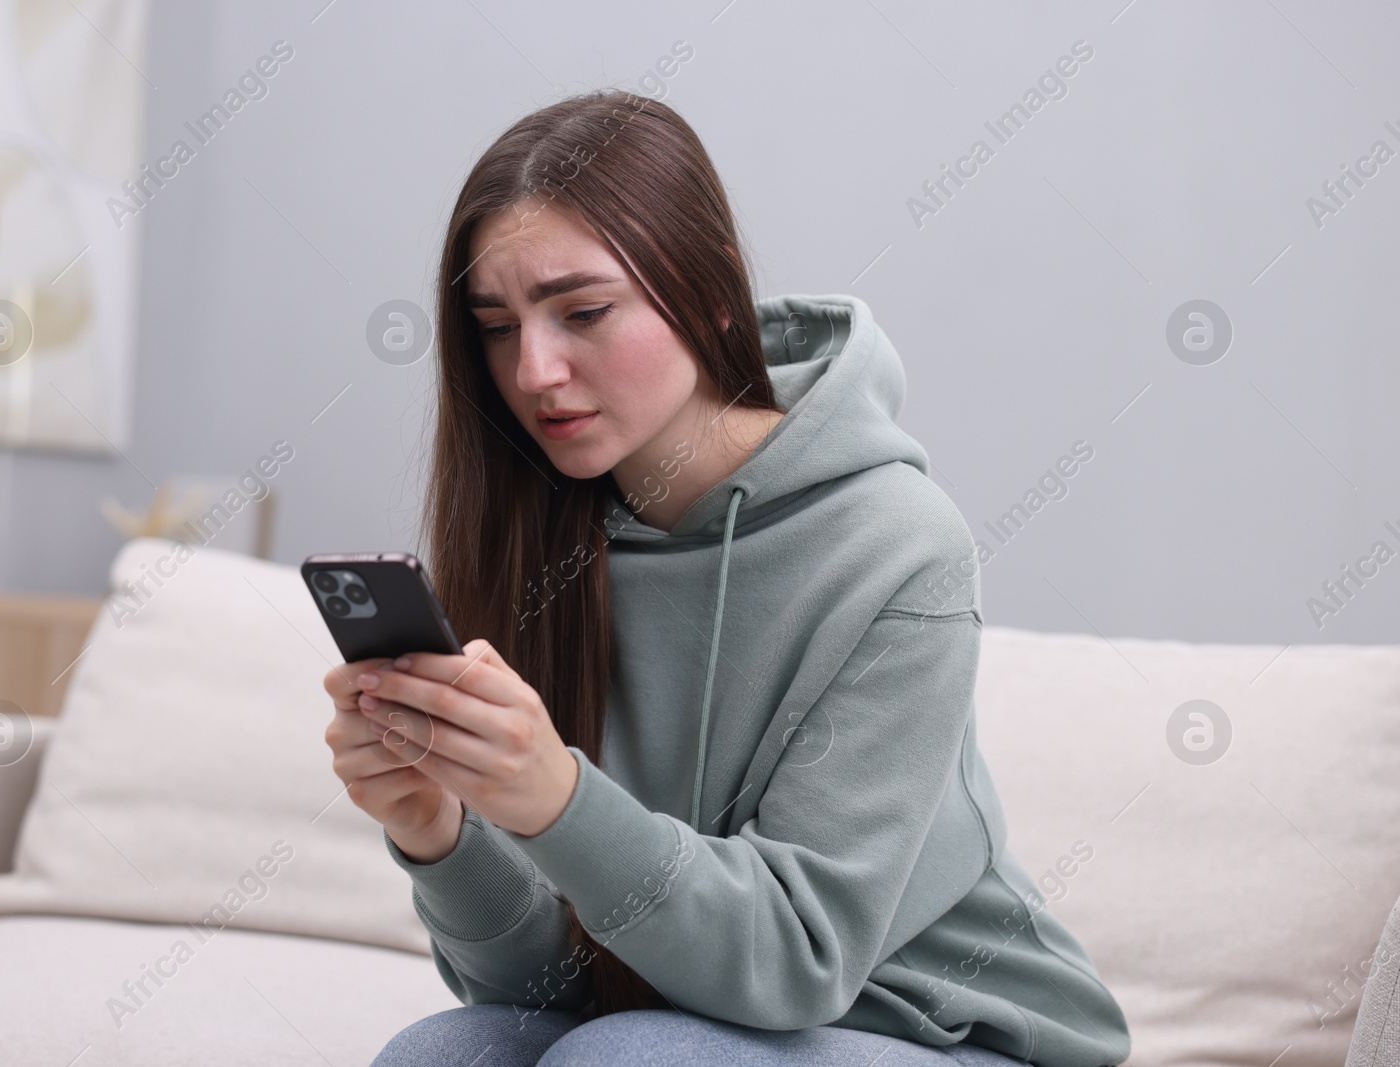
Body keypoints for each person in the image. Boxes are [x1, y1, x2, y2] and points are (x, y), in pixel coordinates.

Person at [323, 88, 1131, 1067]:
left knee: (625, 1060)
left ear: (710, 294)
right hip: (677, 1024)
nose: (533, 369)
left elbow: (795, 964)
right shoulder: (539, 532)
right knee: (441, 1053)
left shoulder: (896, 545)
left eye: (582, 311)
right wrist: (441, 832)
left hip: (946, 1031)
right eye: (496, 325)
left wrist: (556, 796)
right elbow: (539, 988)